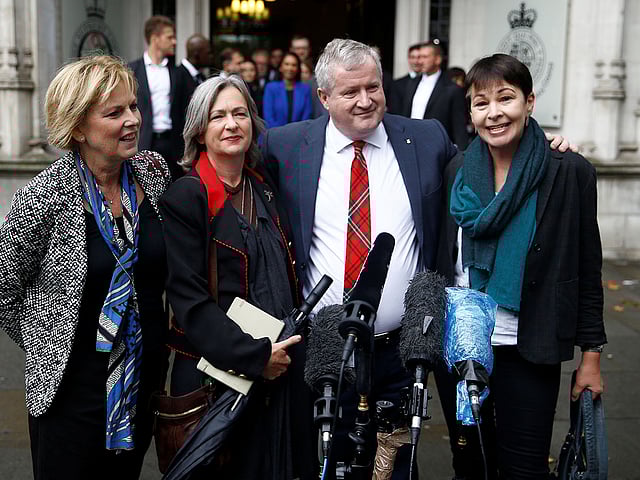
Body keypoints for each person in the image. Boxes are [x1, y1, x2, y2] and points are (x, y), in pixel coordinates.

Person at [262, 37, 457, 479]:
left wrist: (545, 148)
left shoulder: (426, 140)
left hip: (402, 350)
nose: (366, 101)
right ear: (324, 98)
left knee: (397, 467)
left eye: (373, 87)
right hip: (327, 350)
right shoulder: (285, 146)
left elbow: (486, 165)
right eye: (350, 92)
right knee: (331, 464)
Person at [0, 55, 172, 479]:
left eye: (133, 106)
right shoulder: (42, 197)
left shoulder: (153, 174)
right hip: (70, 395)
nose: (132, 119)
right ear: (77, 126)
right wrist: (47, 341)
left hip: (140, 385)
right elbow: (5, 289)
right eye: (115, 112)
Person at [439, 53, 606, 479]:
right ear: (471, 112)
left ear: (529, 102)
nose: (494, 113)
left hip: (529, 347)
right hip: (464, 348)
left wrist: (591, 357)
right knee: (470, 464)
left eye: (506, 98)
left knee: (524, 468)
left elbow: (586, 268)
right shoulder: (458, 169)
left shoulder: (567, 170)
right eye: (481, 103)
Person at [159, 73, 314, 479]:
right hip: (216, 376)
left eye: (240, 113)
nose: (231, 124)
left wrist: (274, 356)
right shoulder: (185, 197)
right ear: (199, 129)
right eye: (218, 116)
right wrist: (256, 356)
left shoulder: (264, 187)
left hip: (276, 370)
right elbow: (189, 302)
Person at [129, 15, 186, 180]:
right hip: (145, 141)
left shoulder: (177, 73)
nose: (174, 41)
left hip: (173, 144)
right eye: (169, 37)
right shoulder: (131, 70)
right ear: (155, 39)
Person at [400, 40, 469, 149]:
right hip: (410, 145)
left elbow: (459, 126)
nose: (420, 61)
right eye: (419, 57)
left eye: (425, 57)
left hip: (437, 147)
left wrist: (462, 155)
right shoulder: (411, 84)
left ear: (437, 59)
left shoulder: (452, 89)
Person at [262, 52, 313, 128]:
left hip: (299, 135)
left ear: (298, 68)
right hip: (275, 135)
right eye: (287, 64)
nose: (290, 68)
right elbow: (268, 117)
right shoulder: (271, 88)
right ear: (280, 67)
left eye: (294, 65)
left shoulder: (305, 89)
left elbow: (306, 117)